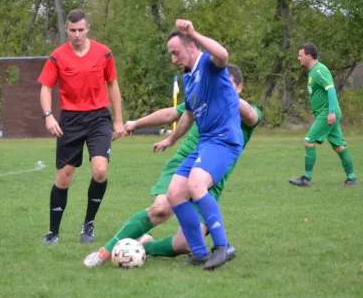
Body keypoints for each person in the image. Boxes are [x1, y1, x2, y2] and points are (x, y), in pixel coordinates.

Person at [82, 65, 261, 267]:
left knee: (186, 244)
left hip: (213, 177)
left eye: (226, 85)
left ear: (239, 88)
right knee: (161, 209)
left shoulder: (248, 112)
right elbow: (171, 114)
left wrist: (224, 92)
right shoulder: (205, 99)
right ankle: (104, 252)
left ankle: (144, 247)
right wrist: (137, 123)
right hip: (185, 163)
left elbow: (252, 116)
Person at [152, 20, 244, 270]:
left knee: (195, 184)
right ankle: (200, 253)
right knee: (174, 193)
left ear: (191, 47)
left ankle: (222, 247)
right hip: (205, 142)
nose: (173, 59)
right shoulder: (188, 79)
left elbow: (223, 55)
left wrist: (194, 32)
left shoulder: (207, 63)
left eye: (176, 53)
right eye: (171, 54)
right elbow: (189, 115)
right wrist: (170, 139)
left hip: (224, 139)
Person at [38, 9, 124, 245]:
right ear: (66, 30)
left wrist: (118, 120)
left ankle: (89, 224)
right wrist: (48, 116)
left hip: (98, 118)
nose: (76, 34)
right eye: (72, 30)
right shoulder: (57, 56)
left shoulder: (104, 52)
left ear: (88, 29)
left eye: (81, 30)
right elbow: (45, 87)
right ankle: (53, 232)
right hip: (70, 120)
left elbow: (113, 85)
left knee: (100, 171)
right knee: (64, 177)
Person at [289, 43, 358, 187]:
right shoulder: (312, 72)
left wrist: (331, 112)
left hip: (328, 113)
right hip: (323, 113)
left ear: (308, 56)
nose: (298, 58)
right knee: (339, 146)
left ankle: (306, 178)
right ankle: (351, 179)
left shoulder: (320, 70)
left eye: (300, 55)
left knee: (308, 141)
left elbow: (331, 90)